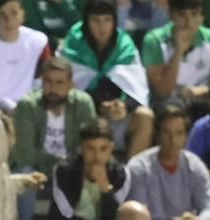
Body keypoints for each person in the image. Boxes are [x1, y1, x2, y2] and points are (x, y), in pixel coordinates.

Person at [58, 0, 155, 156]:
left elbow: (137, 86)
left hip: (118, 115)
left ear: (114, 21)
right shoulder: (73, 43)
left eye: (107, 20)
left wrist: (125, 106)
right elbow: (64, 85)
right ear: (86, 22)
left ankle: (130, 176)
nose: (102, 27)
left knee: (145, 116)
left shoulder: (124, 44)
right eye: (95, 21)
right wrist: (98, 105)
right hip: (85, 114)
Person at [11, 56, 97, 182]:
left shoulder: (83, 103)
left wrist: (69, 164)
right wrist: (57, 161)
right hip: (38, 170)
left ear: (71, 85)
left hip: (74, 168)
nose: (53, 88)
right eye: (48, 81)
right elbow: (24, 153)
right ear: (41, 82)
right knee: (25, 172)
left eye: (59, 82)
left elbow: (90, 144)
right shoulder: (28, 105)